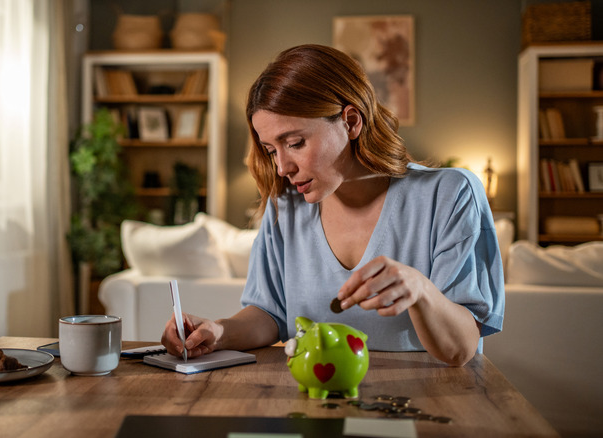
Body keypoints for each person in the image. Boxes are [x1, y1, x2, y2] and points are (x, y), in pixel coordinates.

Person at [161, 44, 504, 366]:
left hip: (425, 405)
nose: (282, 167)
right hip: (314, 394)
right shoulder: (286, 207)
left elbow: (460, 349)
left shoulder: (449, 194)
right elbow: (270, 315)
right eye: (271, 150)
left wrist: (420, 290)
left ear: (351, 121)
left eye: (295, 142)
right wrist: (218, 332)